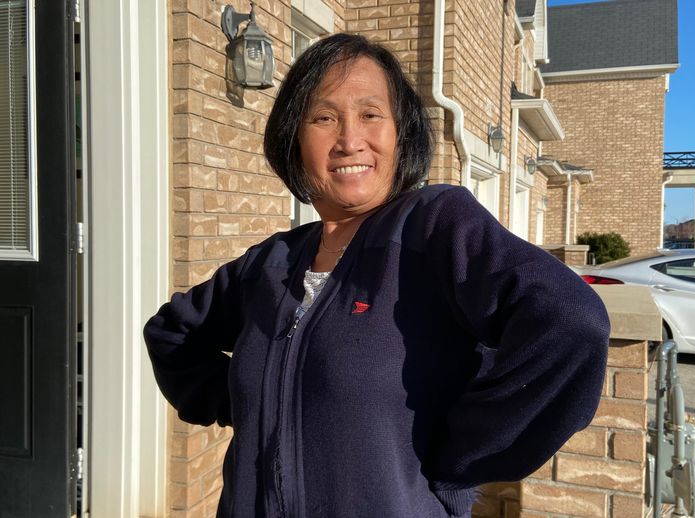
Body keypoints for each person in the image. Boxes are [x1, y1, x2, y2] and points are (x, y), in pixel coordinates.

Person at [144, 33, 610, 518]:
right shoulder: (271, 262)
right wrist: (248, 403)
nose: (349, 140)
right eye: (324, 118)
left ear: (400, 134)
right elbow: (171, 334)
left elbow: (570, 323)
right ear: (294, 138)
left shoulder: (432, 226)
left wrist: (458, 461)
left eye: (370, 115)